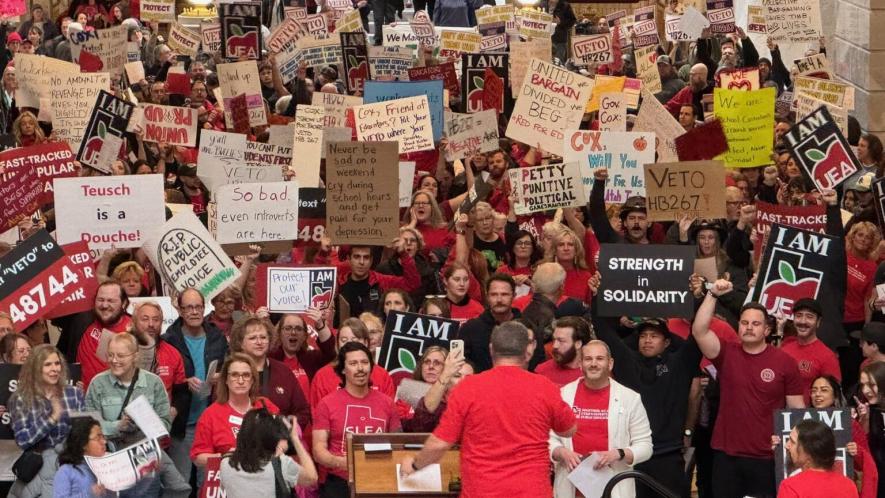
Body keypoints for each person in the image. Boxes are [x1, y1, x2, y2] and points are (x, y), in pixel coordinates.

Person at [399, 322, 577, 497]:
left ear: (491, 349)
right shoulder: (544, 387)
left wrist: (415, 465)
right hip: (532, 491)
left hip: (482, 491)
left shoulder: (468, 388)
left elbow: (440, 443)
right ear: (527, 351)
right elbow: (569, 429)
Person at [693, 280, 805, 498]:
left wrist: (795, 451)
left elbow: (797, 410)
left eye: (755, 324)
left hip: (767, 457)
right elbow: (699, 331)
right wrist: (713, 294)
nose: (749, 328)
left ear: (767, 329)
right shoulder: (726, 354)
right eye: (744, 323)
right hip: (727, 455)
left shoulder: (785, 362)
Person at [549, 340, 653, 498]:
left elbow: (645, 446)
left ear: (610, 363)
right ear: (580, 364)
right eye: (588, 359)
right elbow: (548, 438)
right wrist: (561, 452)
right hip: (570, 488)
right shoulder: (563, 395)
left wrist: (618, 453)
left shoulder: (630, 398)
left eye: (599, 358)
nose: (593, 364)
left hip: (614, 488)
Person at [313, 342, 401, 497]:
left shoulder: (387, 403)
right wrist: (345, 462)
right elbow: (318, 450)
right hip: (339, 483)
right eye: (353, 363)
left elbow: (398, 445)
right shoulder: (327, 403)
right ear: (342, 369)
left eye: (365, 362)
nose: (360, 368)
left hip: (380, 481)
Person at [162, 288, 228, 489]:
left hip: (210, 422)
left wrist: (221, 377)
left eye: (198, 306)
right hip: (182, 424)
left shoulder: (217, 336)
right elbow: (163, 378)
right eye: (188, 307)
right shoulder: (169, 340)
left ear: (204, 308)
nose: (194, 312)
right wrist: (183, 381)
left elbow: (230, 369)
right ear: (180, 311)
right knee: (180, 483)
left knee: (208, 484)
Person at [8, 345, 86, 498]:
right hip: (38, 471)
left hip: (69, 467)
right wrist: (51, 419)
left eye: (57, 363)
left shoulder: (74, 394)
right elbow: (23, 440)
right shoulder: (21, 398)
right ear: (35, 368)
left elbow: (83, 432)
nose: (55, 369)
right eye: (48, 364)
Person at [190, 354, 279, 471]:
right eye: (234, 375)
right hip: (226, 479)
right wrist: (224, 457)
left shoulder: (266, 405)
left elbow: (282, 441)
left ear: (253, 380)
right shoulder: (211, 414)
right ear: (226, 380)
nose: (241, 381)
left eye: (246, 375)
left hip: (263, 477)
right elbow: (198, 457)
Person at [228, 316, 311, 427]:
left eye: (263, 337)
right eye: (252, 338)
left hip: (280, 439)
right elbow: (220, 410)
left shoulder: (283, 371)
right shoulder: (230, 371)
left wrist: (284, 427)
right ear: (240, 343)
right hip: (238, 437)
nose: (259, 342)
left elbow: (303, 412)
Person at [219, 408, 318, 496]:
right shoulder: (280, 463)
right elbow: (312, 478)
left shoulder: (226, 463)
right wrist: (295, 439)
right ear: (269, 437)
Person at [808, 375, 878, 498]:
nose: (817, 394)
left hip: (840, 489)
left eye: (824, 390)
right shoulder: (800, 423)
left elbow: (867, 463)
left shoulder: (849, 424)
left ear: (835, 396)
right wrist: (779, 445)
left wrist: (857, 452)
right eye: (814, 390)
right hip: (810, 489)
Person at [309, 318, 395, 408]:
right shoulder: (322, 376)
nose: (349, 344)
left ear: (366, 343)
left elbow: (390, 412)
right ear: (337, 344)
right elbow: (318, 415)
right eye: (344, 340)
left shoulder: (382, 375)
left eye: (355, 340)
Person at [779, 298, 841, 403]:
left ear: (818, 322)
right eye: (799, 316)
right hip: (782, 416)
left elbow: (834, 396)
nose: (803, 321)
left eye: (809, 317)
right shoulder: (784, 350)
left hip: (811, 417)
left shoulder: (827, 356)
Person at [777, 420, 859, 498]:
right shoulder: (849, 486)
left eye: (792, 441)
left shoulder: (790, 486)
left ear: (809, 452)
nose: (786, 445)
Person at [73, 282, 133, 389]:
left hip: (114, 400)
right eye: (100, 300)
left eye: (111, 301)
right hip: (82, 400)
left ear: (124, 303)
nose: (104, 305)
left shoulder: (134, 331)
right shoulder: (83, 321)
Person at [403, 347, 472, 432]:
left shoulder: (451, 400)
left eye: (437, 363)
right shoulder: (407, 390)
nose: (431, 366)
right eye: (427, 362)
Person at [462, 274, 520, 373]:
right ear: (487, 296)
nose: (499, 300)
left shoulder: (526, 328)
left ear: (514, 295)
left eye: (504, 294)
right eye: (494, 294)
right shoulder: (470, 329)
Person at [271, 309, 336, 397]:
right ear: (280, 333)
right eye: (287, 328)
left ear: (305, 335)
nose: (293, 332)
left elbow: (329, 352)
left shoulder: (311, 359)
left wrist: (320, 325)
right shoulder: (270, 359)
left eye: (298, 329)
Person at [52, 418, 107, 498]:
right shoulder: (66, 471)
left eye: (103, 437)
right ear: (83, 444)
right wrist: (89, 494)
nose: (104, 442)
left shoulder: (109, 467)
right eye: (98, 438)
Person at [535, 316, 593, 387]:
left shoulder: (593, 375)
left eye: (561, 341)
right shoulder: (542, 372)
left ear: (578, 344)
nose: (555, 346)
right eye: (554, 340)